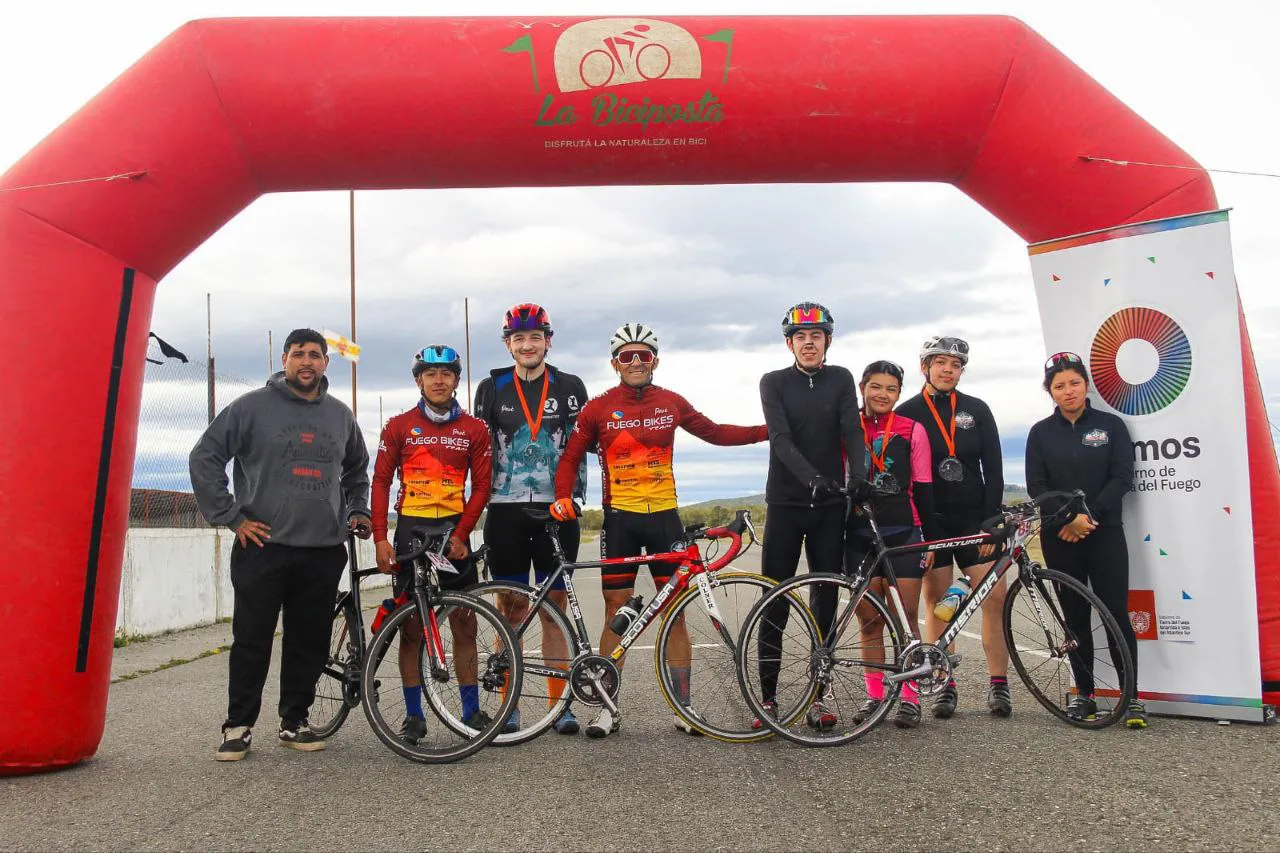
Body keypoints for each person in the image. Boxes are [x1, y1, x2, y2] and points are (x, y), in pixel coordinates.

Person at [550, 323, 768, 738]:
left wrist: (766, 431)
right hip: (620, 519)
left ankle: (683, 708)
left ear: (656, 360)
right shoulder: (597, 408)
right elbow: (571, 457)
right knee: (615, 609)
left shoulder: (670, 402)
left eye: (644, 355)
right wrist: (562, 494)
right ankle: (607, 708)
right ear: (614, 362)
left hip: (664, 516)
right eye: (627, 356)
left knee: (676, 613)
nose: (636, 362)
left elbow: (716, 432)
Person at [190, 328, 371, 762]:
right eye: (298, 355)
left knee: (307, 640)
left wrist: (357, 510)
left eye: (315, 355)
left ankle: (295, 721)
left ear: (326, 363)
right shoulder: (251, 408)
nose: (306, 362)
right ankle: (238, 725)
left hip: (323, 548)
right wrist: (232, 517)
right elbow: (205, 456)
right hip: (264, 546)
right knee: (252, 638)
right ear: (284, 359)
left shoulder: (341, 416)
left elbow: (357, 470)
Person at [473, 303, 589, 736]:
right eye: (519, 338)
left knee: (554, 607)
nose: (527, 345)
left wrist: (575, 498)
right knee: (512, 606)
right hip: (505, 508)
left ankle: (562, 705)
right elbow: (481, 451)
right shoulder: (491, 386)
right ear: (508, 344)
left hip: (557, 509)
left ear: (548, 340)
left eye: (535, 337)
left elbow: (580, 448)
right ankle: (511, 706)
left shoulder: (571, 385)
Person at [755, 301, 870, 731]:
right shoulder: (773, 382)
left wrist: (857, 476)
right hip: (786, 504)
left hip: (828, 507)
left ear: (827, 341)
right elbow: (780, 439)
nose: (809, 342)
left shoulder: (840, 379)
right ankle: (767, 698)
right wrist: (811, 478)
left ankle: (818, 698)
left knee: (825, 601)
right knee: (776, 599)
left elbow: (852, 430)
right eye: (800, 337)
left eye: (816, 336)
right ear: (789, 342)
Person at [371, 344, 493, 744]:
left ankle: (471, 710)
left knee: (465, 623)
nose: (438, 380)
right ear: (418, 380)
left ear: (457, 380)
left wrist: (462, 533)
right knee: (410, 628)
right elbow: (381, 482)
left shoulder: (474, 429)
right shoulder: (399, 426)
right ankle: (413, 715)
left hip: (453, 531)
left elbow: (483, 486)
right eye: (430, 373)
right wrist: (379, 538)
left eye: (446, 373)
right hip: (411, 531)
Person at [1025, 352, 1145, 728]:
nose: (1068, 390)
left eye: (1074, 383)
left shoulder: (1111, 426)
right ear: (1051, 392)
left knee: (1114, 613)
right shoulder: (1040, 433)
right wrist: (1068, 519)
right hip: (1059, 536)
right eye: (1059, 386)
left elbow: (1122, 477)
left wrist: (1088, 517)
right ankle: (1085, 694)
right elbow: (1037, 487)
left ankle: (1132, 698)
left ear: (1086, 385)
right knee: (1075, 618)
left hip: (1104, 533)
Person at [896, 336, 1010, 719]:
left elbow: (993, 468)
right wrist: (922, 530)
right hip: (935, 524)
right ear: (924, 367)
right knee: (939, 606)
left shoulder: (977, 410)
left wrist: (992, 518)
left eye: (956, 364)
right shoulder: (908, 412)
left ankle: (999, 685)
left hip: (976, 521)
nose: (948, 369)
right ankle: (945, 682)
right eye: (941, 362)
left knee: (995, 600)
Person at [847, 360, 942, 729]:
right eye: (876, 387)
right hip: (858, 533)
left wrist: (930, 539)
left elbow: (924, 487)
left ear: (898, 393)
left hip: (903, 530)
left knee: (905, 619)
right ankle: (875, 697)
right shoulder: (849, 428)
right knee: (869, 621)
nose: (882, 394)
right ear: (862, 388)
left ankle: (910, 697)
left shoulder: (911, 429)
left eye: (890, 389)